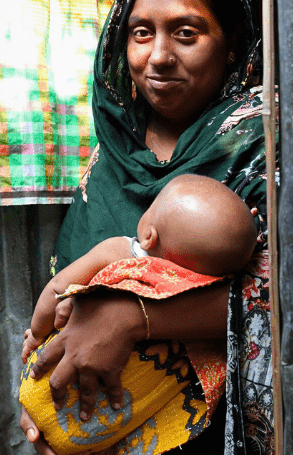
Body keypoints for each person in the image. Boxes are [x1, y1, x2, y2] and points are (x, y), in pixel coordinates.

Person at [19, 0, 274, 455]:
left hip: (218, 428)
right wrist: (44, 405)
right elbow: (61, 298)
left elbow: (287, 296)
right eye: (141, 33)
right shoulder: (113, 153)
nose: (158, 56)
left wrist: (129, 317)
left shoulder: (262, 143)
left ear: (231, 46)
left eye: (186, 33)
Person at [18, 174, 258, 454]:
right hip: (123, 428)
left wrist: (36, 335)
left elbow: (57, 289)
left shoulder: (122, 252)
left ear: (148, 234)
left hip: (54, 393)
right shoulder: (207, 299)